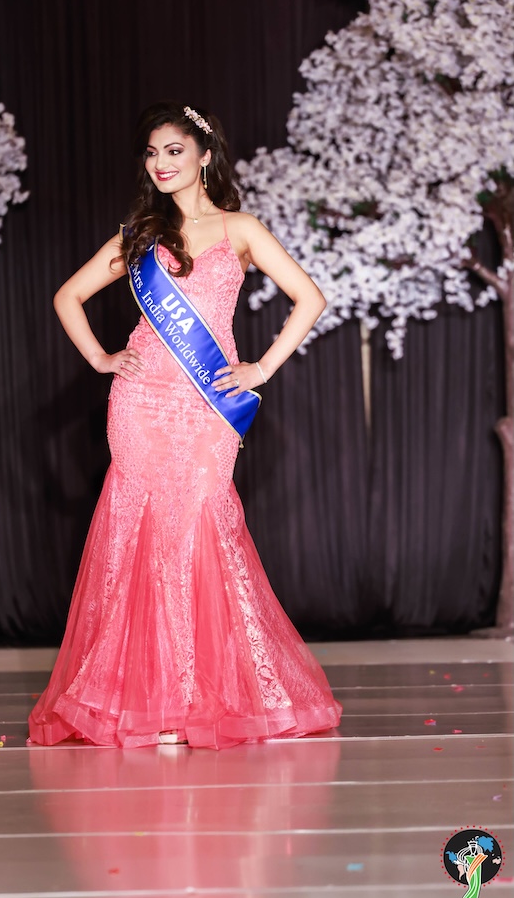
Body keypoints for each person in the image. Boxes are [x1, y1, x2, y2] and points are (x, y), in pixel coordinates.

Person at [28, 101, 342, 750]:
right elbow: (67, 296)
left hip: (207, 404)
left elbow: (310, 297)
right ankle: (150, 701)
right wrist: (102, 359)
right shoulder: (139, 236)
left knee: (198, 532)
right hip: (140, 401)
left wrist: (261, 367)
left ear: (204, 155)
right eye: (151, 153)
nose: (161, 163)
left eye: (173, 150)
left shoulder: (239, 228)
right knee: (137, 535)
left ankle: (195, 694)